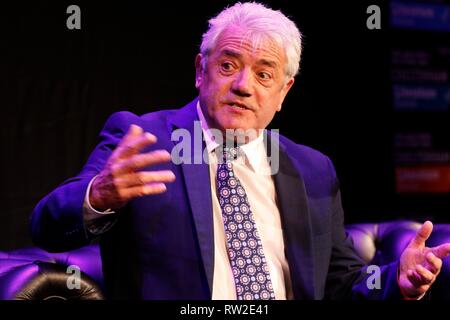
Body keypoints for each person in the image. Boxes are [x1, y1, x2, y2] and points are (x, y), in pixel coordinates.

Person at [30, 2, 450, 300]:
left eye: (264, 74)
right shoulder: (143, 138)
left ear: (283, 92)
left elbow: (340, 282)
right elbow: (46, 228)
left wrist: (399, 280)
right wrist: (98, 197)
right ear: (200, 70)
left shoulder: (311, 168)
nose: (244, 85)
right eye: (228, 65)